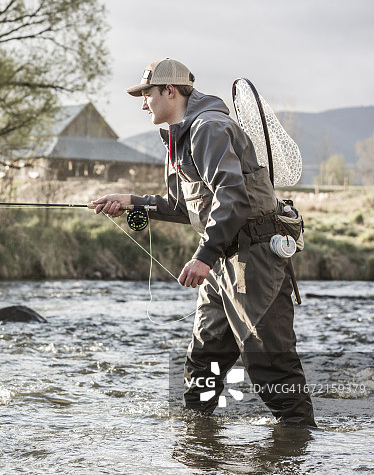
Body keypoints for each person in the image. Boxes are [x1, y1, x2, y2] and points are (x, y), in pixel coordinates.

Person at [93, 58, 315, 426]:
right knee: (204, 361)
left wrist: (203, 256)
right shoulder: (179, 138)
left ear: (170, 91)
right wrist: (132, 202)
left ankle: (298, 449)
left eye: (146, 93)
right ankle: (199, 449)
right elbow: (184, 208)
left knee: (269, 363)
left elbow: (233, 196)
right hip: (224, 261)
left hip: (254, 257)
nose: (142, 102)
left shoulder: (208, 128)